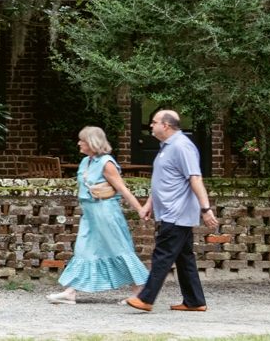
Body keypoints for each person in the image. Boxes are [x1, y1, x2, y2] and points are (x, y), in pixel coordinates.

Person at [124, 109, 218, 312]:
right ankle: (194, 301)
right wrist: (150, 204)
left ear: (165, 125)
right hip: (169, 211)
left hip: (177, 212)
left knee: (162, 253)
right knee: (184, 257)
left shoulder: (182, 147)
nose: (151, 125)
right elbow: (163, 180)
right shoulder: (167, 147)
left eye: (154, 122)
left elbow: (195, 178)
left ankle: (146, 298)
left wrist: (206, 209)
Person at [48, 126, 149, 304]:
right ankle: (71, 292)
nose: (79, 143)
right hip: (90, 213)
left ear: (93, 142)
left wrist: (140, 209)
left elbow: (122, 188)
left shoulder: (106, 162)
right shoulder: (85, 162)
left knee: (119, 248)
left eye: (82, 140)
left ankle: (139, 291)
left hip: (106, 211)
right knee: (83, 249)